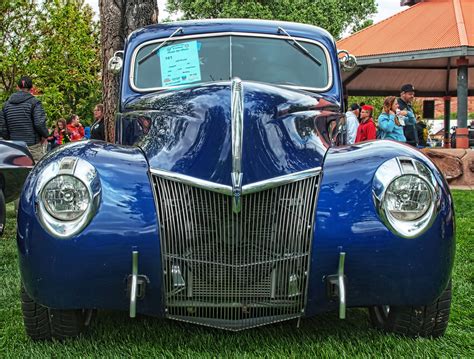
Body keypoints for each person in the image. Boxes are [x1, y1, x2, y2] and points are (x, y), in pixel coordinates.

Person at [0, 76, 48, 163]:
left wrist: (11, 139)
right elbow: (39, 123)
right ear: (31, 88)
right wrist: (45, 135)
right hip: (33, 147)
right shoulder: (35, 102)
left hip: (14, 147)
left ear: (17, 87)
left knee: (15, 174)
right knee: (35, 172)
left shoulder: (6, 105)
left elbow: (2, 128)